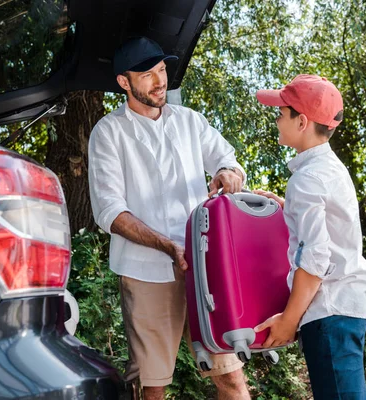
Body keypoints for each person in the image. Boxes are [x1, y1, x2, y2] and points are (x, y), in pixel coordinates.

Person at [88, 36, 250, 400]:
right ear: (123, 82)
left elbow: (228, 160)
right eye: (147, 74)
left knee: (231, 377)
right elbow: (109, 211)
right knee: (152, 388)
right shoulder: (108, 133)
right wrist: (168, 246)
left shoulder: (191, 121)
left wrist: (227, 172)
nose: (159, 81)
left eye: (161, 70)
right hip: (145, 273)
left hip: (204, 271)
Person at [252, 74, 366, 399]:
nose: (277, 119)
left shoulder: (307, 179)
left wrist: (288, 320)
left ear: (302, 121)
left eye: (281, 112)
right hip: (344, 310)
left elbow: (316, 258)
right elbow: (332, 231)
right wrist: (288, 208)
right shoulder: (330, 169)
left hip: (329, 314)